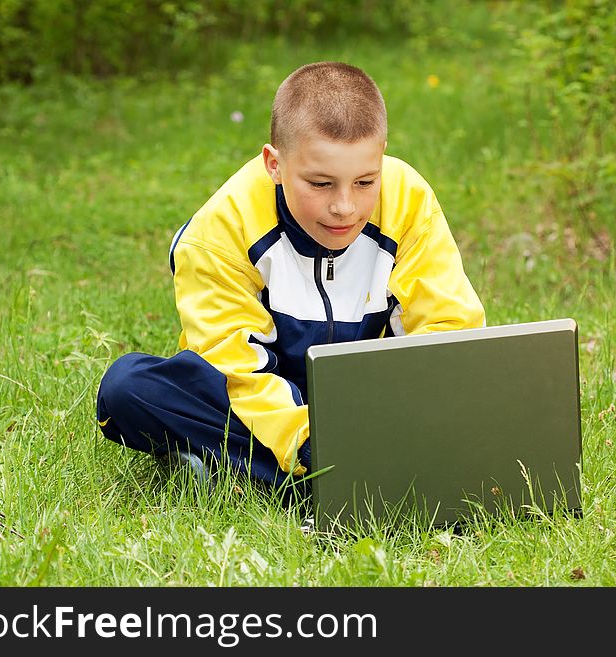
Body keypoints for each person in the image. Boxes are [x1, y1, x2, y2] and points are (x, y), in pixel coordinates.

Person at [95, 61, 485, 495]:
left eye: (364, 182)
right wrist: (312, 447)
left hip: (372, 399)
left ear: (382, 156)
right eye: (320, 184)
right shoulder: (219, 230)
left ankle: (238, 472)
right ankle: (351, 478)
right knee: (127, 389)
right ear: (274, 164)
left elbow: (450, 334)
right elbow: (237, 370)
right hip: (263, 399)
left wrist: (421, 414)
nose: (345, 207)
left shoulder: (409, 198)